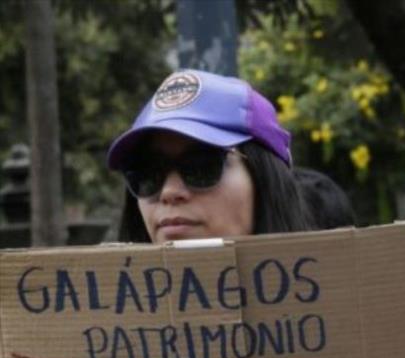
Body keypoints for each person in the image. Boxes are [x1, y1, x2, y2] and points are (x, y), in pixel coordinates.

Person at [109, 69, 313, 242]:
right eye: (146, 174)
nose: (169, 192)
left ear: (266, 179)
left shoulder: (340, 287)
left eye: (201, 167)